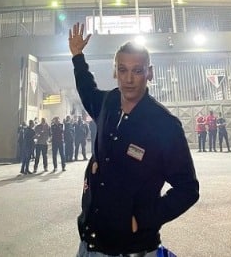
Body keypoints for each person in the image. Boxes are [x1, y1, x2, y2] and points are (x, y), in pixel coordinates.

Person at [69, 22, 199, 257]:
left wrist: (143, 218)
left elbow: (188, 189)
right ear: (115, 71)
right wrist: (78, 56)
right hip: (89, 242)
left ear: (149, 73)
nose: (129, 79)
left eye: (137, 70)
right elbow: (86, 89)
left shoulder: (164, 125)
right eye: (122, 70)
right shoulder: (107, 104)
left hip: (132, 249)